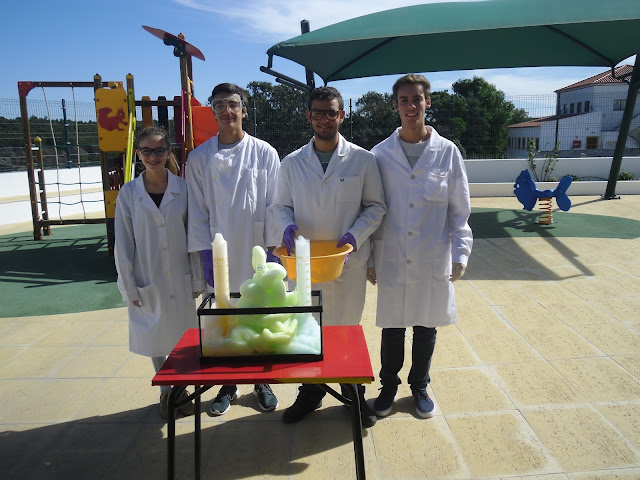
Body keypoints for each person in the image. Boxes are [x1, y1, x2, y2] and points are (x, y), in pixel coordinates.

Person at [269, 86, 387, 428]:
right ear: (308, 116)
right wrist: (286, 226)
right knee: (308, 330)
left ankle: (352, 392)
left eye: (331, 112)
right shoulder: (292, 162)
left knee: (346, 330)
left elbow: (375, 206)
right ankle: (311, 392)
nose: (324, 119)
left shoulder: (363, 160)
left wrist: (354, 236)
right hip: (305, 265)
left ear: (342, 115)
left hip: (347, 264)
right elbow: (280, 205)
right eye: (318, 113)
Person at [368, 74, 473, 419]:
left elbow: (459, 209)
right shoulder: (380, 154)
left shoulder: (448, 152)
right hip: (393, 253)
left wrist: (460, 252)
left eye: (417, 99)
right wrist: (369, 257)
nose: (411, 106)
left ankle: (420, 385)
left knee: (427, 325)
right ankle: (388, 386)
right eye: (404, 100)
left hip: (432, 253)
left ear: (428, 102)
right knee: (393, 326)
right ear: (395, 105)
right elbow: (371, 208)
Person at [186, 83, 280, 416]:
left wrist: (273, 252)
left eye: (233, 104)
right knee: (223, 321)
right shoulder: (199, 159)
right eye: (219, 104)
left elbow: (275, 204)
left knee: (259, 317)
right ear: (212, 111)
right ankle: (227, 383)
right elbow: (197, 211)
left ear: (244, 109)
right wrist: (205, 255)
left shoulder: (265, 153)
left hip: (257, 252)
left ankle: (261, 381)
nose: (227, 111)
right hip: (220, 255)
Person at [114, 126, 205, 419]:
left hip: (180, 273)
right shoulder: (129, 193)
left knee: (182, 334)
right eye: (146, 151)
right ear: (138, 154)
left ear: (168, 153)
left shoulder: (184, 188)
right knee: (154, 332)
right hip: (146, 273)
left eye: (159, 150)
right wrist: (128, 284)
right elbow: (123, 242)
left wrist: (198, 277)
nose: (153, 156)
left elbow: (194, 235)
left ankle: (181, 389)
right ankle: (166, 392)